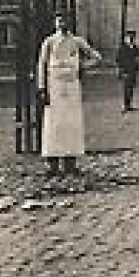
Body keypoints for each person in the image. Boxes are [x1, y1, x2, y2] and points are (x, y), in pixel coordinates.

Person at [36, 13, 101, 176]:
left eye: (65, 20)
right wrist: (42, 87)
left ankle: (70, 162)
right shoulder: (49, 42)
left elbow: (96, 57)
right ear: (55, 23)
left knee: (71, 123)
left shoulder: (77, 41)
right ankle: (52, 163)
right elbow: (41, 65)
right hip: (54, 87)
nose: (62, 23)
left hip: (72, 87)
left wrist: (82, 66)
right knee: (54, 123)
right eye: (59, 20)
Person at [115, 30, 139, 112]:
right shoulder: (123, 48)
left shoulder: (134, 47)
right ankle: (125, 105)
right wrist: (121, 71)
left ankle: (129, 104)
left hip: (133, 70)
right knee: (126, 88)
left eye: (132, 37)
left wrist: (137, 65)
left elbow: (138, 56)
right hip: (126, 70)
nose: (131, 39)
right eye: (130, 37)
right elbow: (118, 60)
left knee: (131, 88)